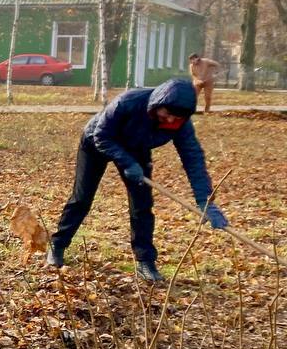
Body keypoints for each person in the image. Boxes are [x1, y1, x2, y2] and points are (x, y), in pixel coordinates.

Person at [47, 78, 228, 282]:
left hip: (136, 149)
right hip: (97, 142)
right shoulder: (128, 102)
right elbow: (102, 135)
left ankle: (145, 261)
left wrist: (205, 200)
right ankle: (58, 245)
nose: (169, 121)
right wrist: (126, 162)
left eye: (176, 117)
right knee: (82, 198)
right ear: (158, 104)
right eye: (167, 114)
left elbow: (193, 157)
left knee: (142, 205)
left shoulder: (181, 124)